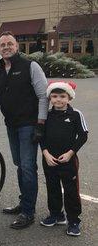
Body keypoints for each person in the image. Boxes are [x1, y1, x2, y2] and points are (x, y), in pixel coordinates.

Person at [0, 31, 49, 229]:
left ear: (17, 47)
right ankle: (24, 202)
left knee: (28, 166)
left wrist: (40, 123)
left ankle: (28, 212)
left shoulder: (30, 66)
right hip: (11, 125)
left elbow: (43, 95)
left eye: (9, 44)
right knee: (20, 163)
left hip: (29, 125)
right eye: (2, 44)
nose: (6, 47)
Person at [39, 81, 88, 236]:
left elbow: (83, 135)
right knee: (52, 187)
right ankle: (56, 214)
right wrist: (45, 153)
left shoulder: (75, 114)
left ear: (69, 98)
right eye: (54, 96)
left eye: (62, 96)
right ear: (50, 98)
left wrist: (70, 153)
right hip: (49, 159)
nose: (58, 100)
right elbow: (40, 135)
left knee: (71, 190)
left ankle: (74, 220)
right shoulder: (45, 115)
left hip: (68, 160)